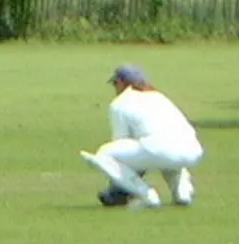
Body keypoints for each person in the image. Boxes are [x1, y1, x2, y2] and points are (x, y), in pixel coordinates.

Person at [80, 64, 204, 209]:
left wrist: (120, 185)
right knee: (165, 151)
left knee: (104, 153)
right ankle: (183, 194)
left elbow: (121, 142)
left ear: (121, 82)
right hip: (193, 151)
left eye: (115, 83)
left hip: (162, 150)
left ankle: (146, 195)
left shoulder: (119, 104)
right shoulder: (159, 97)